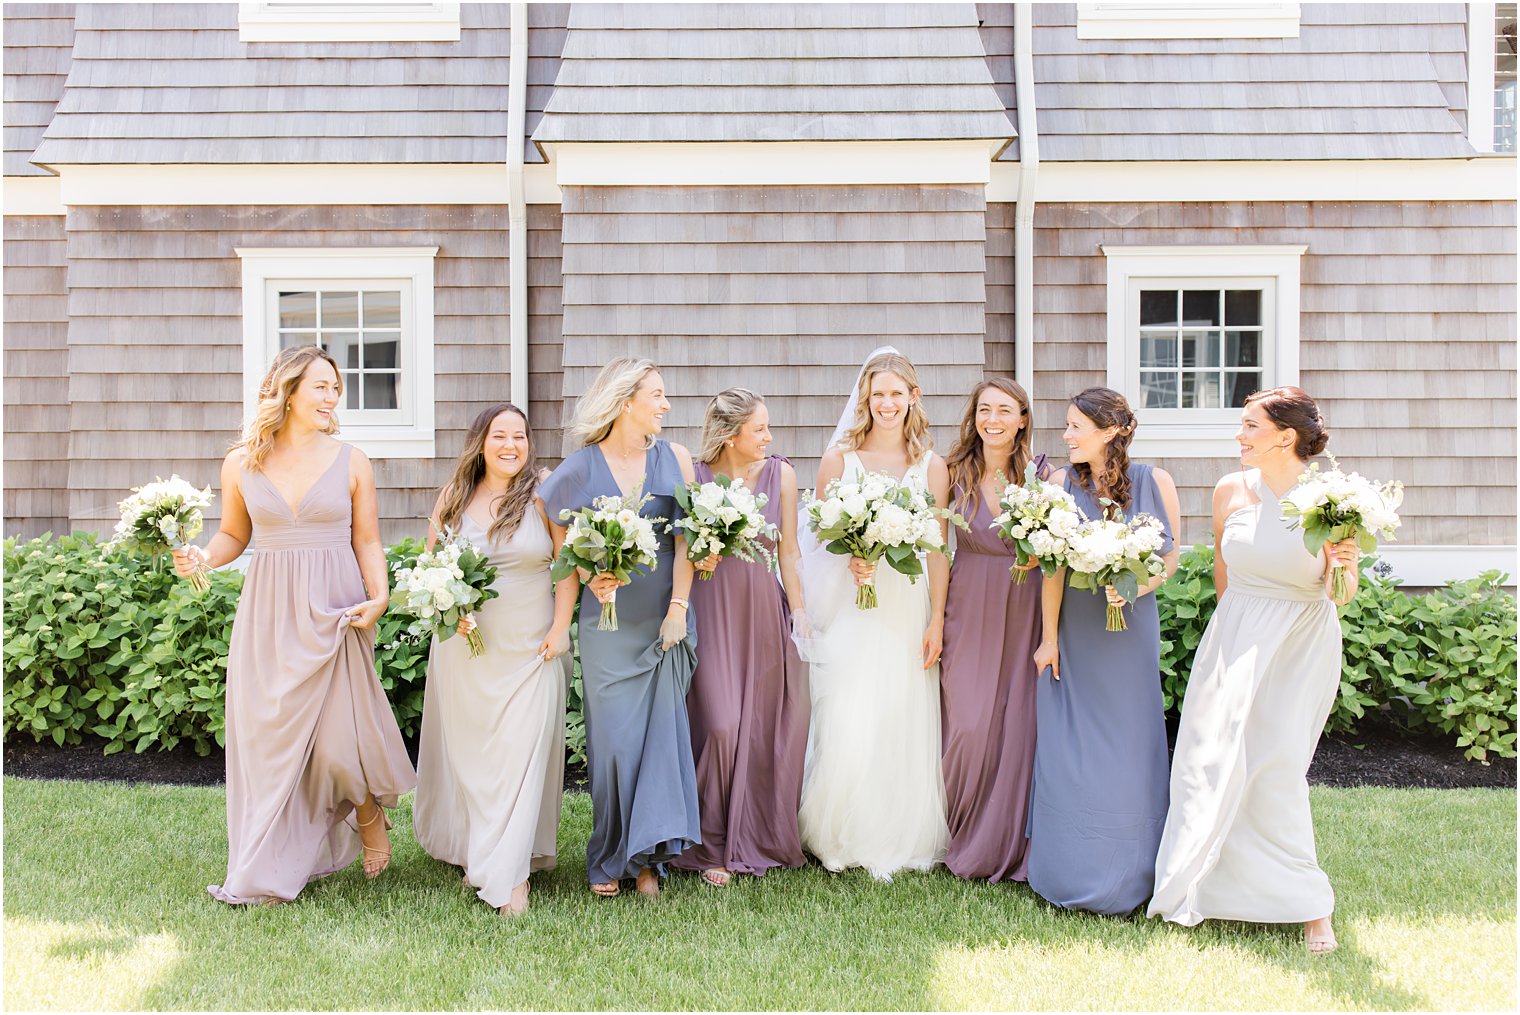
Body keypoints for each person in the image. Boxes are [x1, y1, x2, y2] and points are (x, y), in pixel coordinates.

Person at [174, 345, 415, 905]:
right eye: (322, 386)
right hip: (270, 611)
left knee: (338, 740)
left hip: (335, 608)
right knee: (270, 741)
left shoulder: (352, 460)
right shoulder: (243, 461)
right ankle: (268, 861)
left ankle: (367, 809)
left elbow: (367, 539)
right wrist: (202, 558)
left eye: (337, 387)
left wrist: (379, 595)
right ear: (289, 392)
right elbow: (234, 535)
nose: (334, 397)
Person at [1148, 386, 1357, 954]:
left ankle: (1311, 905)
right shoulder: (1229, 490)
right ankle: (1203, 884)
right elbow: (1223, 574)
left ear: (1285, 437)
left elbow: (1342, 594)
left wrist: (1343, 565)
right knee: (1209, 758)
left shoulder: (1331, 499)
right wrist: (1229, 640)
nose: (1239, 436)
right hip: (1235, 635)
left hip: (1300, 643)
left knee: (1278, 765)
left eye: (1249, 427)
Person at [536, 358, 702, 899]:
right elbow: (555, 523)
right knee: (612, 747)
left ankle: (649, 862)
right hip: (606, 626)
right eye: (657, 394)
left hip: (662, 621)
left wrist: (679, 607)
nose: (666, 404)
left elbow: (688, 542)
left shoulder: (674, 458)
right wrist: (589, 573)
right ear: (626, 401)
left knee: (658, 741)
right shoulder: (582, 466)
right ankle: (610, 853)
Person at [412, 403, 575, 917]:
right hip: (467, 649)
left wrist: (560, 627)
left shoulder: (544, 491)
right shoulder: (454, 498)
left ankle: (512, 878)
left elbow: (566, 564)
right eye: (500, 435)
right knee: (477, 759)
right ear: (481, 442)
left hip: (532, 644)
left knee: (520, 753)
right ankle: (482, 853)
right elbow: (430, 568)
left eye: (520, 436)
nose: (511, 445)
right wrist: (449, 607)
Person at [795, 347, 951, 879]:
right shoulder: (840, 459)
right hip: (855, 608)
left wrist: (938, 619)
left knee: (901, 714)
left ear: (913, 397)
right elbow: (818, 539)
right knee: (849, 713)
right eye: (877, 393)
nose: (886, 403)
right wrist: (851, 562)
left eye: (896, 393)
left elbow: (937, 548)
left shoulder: (932, 467)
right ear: (866, 397)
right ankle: (838, 833)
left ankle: (899, 835)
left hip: (907, 606)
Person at [1028, 387, 1180, 915]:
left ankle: (1133, 874)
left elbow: (1170, 557)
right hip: (1076, 630)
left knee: (1130, 744)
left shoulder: (1155, 481)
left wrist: (1138, 586)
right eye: (1066, 426)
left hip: (1129, 631)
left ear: (1111, 431)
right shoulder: (1057, 485)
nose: (1066, 436)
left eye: (1076, 427)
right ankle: (1069, 867)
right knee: (1071, 748)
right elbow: (1050, 567)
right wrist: (1048, 638)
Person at [672, 388, 809, 885]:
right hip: (710, 608)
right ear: (731, 436)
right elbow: (680, 542)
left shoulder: (782, 475)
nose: (769, 438)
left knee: (757, 728)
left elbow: (789, 552)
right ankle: (706, 842)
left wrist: (799, 613)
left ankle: (747, 838)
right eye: (760, 429)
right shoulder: (696, 475)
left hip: (760, 610)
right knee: (720, 723)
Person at [939, 378, 1047, 882]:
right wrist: (934, 621)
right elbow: (938, 550)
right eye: (984, 409)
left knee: (1018, 724)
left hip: (1027, 605)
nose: (993, 419)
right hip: (969, 600)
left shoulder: (1044, 475)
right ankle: (959, 831)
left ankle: (1008, 839)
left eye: (1005, 410)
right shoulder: (953, 471)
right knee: (967, 722)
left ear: (1023, 418)